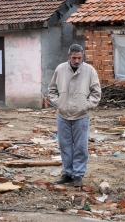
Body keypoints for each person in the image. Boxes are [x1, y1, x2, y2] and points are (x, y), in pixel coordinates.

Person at [48, 44, 101, 187]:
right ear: (69, 57)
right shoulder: (60, 69)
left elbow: (96, 93)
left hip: (81, 116)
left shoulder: (89, 71)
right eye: (74, 57)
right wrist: (58, 103)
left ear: (83, 56)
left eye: (79, 57)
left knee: (81, 146)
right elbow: (52, 89)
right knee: (65, 145)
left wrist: (86, 105)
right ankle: (68, 173)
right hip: (63, 114)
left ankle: (78, 174)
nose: (77, 60)